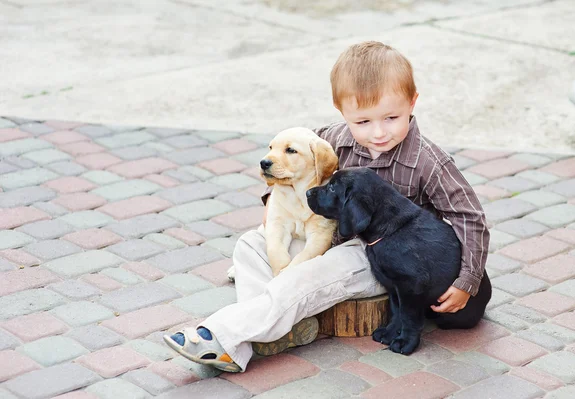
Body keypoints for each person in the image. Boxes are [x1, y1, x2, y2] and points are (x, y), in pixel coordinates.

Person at [164, 41, 491, 373]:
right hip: (317, 238)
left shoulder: (428, 161)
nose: (378, 132)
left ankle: (224, 337)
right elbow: (286, 165)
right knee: (251, 245)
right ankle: (279, 328)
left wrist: (468, 279)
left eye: (391, 118)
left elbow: (469, 217)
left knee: (314, 273)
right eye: (362, 122)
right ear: (342, 111)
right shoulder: (328, 141)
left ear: (412, 103)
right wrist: (272, 206)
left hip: (377, 256)